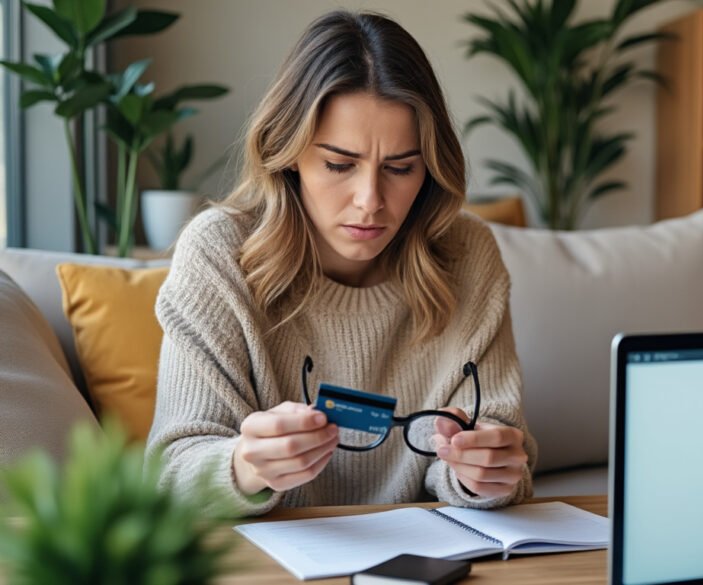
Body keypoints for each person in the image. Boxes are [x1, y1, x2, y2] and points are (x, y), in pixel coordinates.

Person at [146, 10, 536, 516]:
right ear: (287, 153)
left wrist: (485, 471)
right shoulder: (218, 255)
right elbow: (169, 473)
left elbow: (507, 448)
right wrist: (244, 467)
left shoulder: (468, 254)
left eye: (401, 167)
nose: (370, 200)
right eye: (338, 164)